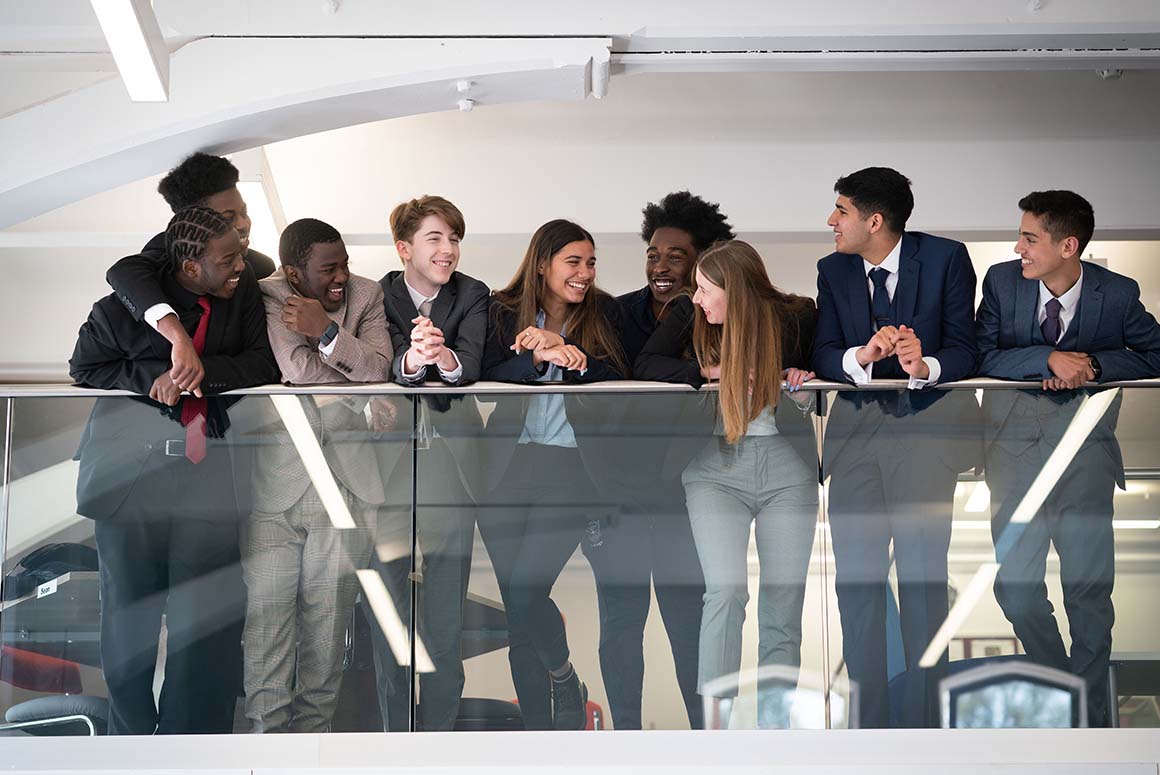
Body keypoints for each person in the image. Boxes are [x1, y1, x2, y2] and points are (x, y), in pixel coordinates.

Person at [69, 206, 279, 734]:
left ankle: (192, 751)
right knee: (128, 626)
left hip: (208, 478)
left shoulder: (244, 289)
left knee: (205, 629)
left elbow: (263, 363)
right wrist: (156, 375)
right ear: (189, 266)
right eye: (227, 260)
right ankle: (133, 747)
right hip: (127, 483)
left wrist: (200, 376)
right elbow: (84, 368)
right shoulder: (120, 310)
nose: (239, 267)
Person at [976, 190, 1160, 726]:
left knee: (1088, 592)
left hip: (1086, 455)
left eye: (1030, 238)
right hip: (1012, 452)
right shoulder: (1002, 282)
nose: (1018, 247)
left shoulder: (1119, 293)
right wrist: (1048, 358)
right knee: (1015, 588)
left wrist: (1095, 367)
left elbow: (1154, 352)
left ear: (1068, 245)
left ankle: (1092, 722)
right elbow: (982, 353)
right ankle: (1065, 691)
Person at [812, 167, 980, 727]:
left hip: (927, 437)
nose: (831, 221)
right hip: (855, 440)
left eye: (841, 211)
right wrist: (860, 358)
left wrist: (922, 364)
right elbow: (824, 353)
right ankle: (870, 726)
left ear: (874, 221)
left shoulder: (947, 258)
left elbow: (966, 349)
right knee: (856, 585)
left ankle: (925, 724)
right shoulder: (832, 270)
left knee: (922, 581)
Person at [636, 240, 819, 728]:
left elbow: (818, 373)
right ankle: (715, 727)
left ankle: (774, 727)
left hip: (786, 469)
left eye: (704, 289)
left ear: (733, 289)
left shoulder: (796, 316)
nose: (694, 297)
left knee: (783, 596)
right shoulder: (685, 315)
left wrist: (803, 379)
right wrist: (706, 371)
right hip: (714, 469)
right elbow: (645, 365)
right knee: (725, 590)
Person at [579, 191, 734, 730]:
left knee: (687, 624)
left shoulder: (717, 317)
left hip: (683, 493)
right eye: (653, 253)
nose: (660, 265)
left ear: (701, 261)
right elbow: (591, 397)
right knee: (620, 623)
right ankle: (625, 741)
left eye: (675, 255)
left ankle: (705, 745)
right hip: (615, 491)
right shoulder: (613, 312)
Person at [243, 217, 392, 732]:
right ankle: (267, 747)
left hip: (349, 485)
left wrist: (325, 332)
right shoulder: (265, 294)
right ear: (293, 271)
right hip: (278, 486)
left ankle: (311, 749)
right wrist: (350, 368)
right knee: (267, 625)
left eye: (346, 263)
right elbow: (297, 371)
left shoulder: (367, 294)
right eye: (329, 268)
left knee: (327, 631)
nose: (343, 276)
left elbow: (381, 370)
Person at [480, 219, 626, 730]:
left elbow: (622, 371)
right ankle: (538, 738)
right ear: (543, 263)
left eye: (591, 262)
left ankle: (563, 676)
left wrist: (574, 356)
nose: (585, 273)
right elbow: (485, 371)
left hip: (571, 471)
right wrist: (535, 354)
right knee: (520, 617)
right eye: (574, 262)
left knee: (524, 590)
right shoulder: (500, 309)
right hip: (506, 471)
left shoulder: (605, 311)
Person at [371, 195, 490, 731]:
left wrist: (442, 357)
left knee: (444, 619)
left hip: (451, 467)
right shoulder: (375, 295)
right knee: (389, 616)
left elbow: (471, 361)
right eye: (435, 239)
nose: (449, 250)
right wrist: (411, 360)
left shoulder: (474, 294)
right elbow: (382, 359)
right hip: (389, 471)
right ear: (404, 248)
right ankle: (397, 737)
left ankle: (437, 738)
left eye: (454, 239)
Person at [105, 152, 277, 400]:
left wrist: (193, 374)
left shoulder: (259, 267)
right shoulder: (165, 255)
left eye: (244, 212)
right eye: (228, 218)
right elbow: (123, 272)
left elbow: (263, 359)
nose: (243, 224)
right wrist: (178, 344)